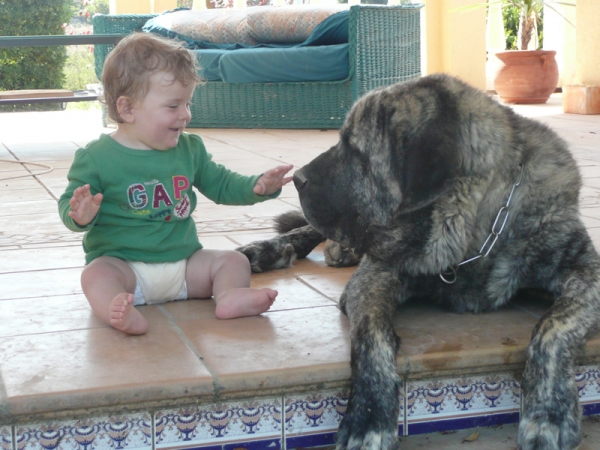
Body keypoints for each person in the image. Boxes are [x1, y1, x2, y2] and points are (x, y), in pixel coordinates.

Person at [58, 32, 293, 335]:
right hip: (125, 269)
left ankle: (229, 296)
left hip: (185, 265)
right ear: (128, 108)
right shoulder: (96, 157)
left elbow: (220, 183)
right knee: (95, 275)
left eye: (187, 103)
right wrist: (79, 215)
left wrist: (257, 186)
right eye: (173, 106)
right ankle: (117, 308)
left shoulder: (189, 149)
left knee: (233, 261)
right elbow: (69, 204)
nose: (185, 114)